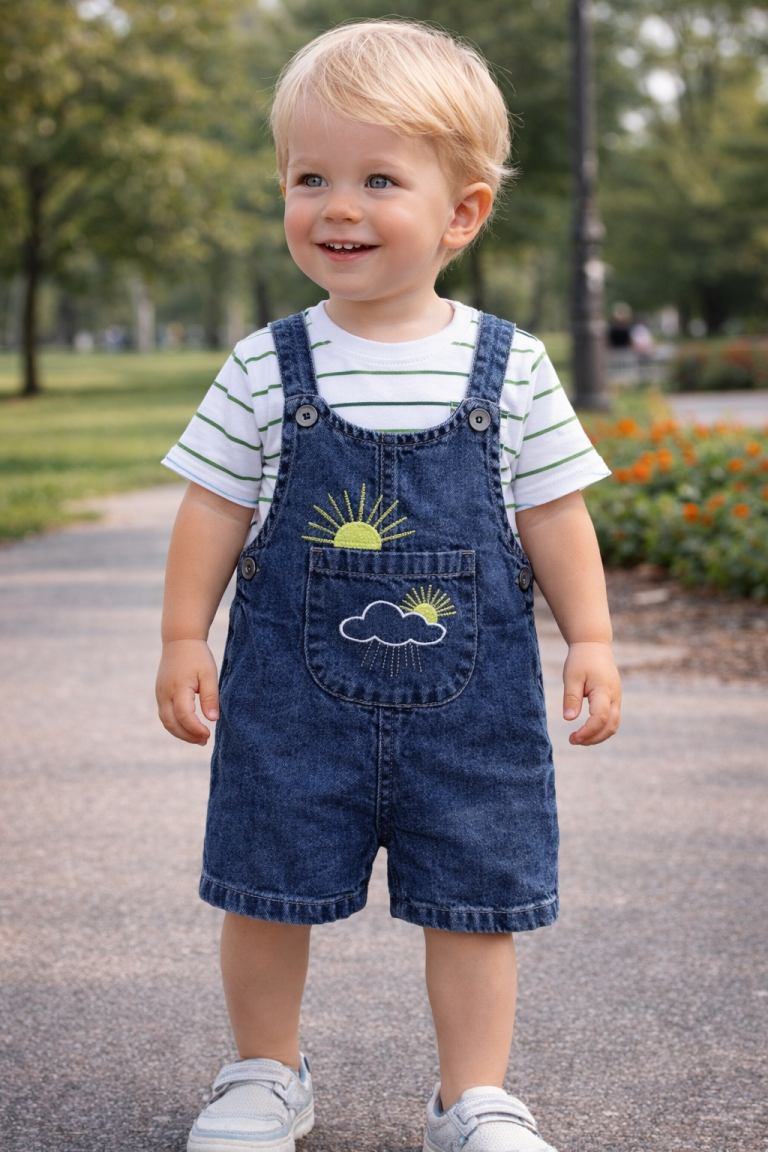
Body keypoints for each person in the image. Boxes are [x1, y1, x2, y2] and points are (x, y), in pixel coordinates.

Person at [156, 20, 621, 1152]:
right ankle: (264, 1072)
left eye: (377, 180)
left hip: (471, 718)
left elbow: (554, 513)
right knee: (264, 889)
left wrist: (593, 640)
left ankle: (474, 1094)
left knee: (475, 902)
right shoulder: (267, 365)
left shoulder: (511, 366)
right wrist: (182, 636)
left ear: (462, 213)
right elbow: (213, 506)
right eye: (309, 178)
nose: (338, 207)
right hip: (289, 708)